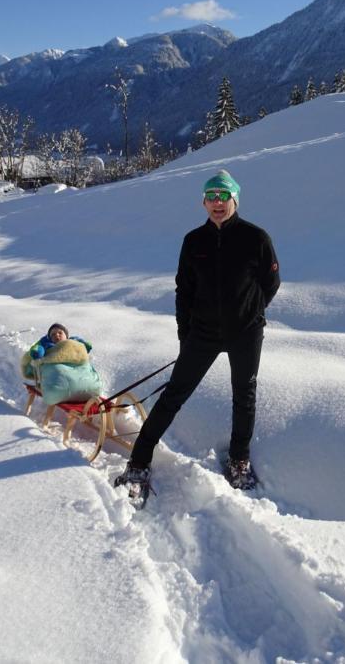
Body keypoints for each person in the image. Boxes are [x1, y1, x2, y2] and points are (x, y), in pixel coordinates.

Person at [116, 170, 280, 500]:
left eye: (224, 196)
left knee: (243, 395)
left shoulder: (256, 238)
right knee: (174, 394)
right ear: (204, 202)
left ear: (235, 199)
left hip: (245, 334)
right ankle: (139, 460)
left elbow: (270, 282)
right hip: (202, 333)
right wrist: (185, 332)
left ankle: (239, 460)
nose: (217, 203)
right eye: (211, 197)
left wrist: (251, 312)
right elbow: (184, 291)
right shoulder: (194, 241)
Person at [20, 322, 100, 405]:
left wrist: (85, 345)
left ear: (66, 336)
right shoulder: (48, 345)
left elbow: (83, 345)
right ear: (50, 339)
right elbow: (37, 349)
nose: (56, 335)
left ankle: (90, 388)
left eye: (60, 333)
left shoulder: (73, 343)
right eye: (53, 335)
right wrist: (38, 351)